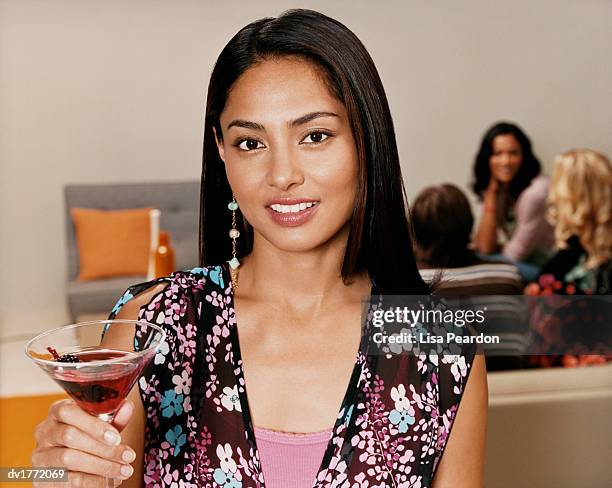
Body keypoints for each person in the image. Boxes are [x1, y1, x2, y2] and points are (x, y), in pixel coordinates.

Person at [32, 9, 487, 488]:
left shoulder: (443, 348)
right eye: (251, 143)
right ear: (222, 150)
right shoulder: (154, 326)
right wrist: (55, 473)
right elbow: (81, 477)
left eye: (315, 136)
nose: (282, 175)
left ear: (365, 141)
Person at [411, 183, 528, 370]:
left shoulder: (409, 284)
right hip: (510, 382)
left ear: (416, 230)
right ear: (468, 224)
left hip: (446, 395)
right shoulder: (507, 276)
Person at [471, 122, 554, 281]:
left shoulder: (535, 193)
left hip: (549, 271)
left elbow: (514, 255)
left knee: (477, 260)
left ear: (524, 156)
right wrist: (491, 193)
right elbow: (485, 245)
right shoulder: (503, 188)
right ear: (487, 158)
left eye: (513, 153)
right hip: (527, 263)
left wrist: (482, 254)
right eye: (498, 154)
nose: (506, 161)